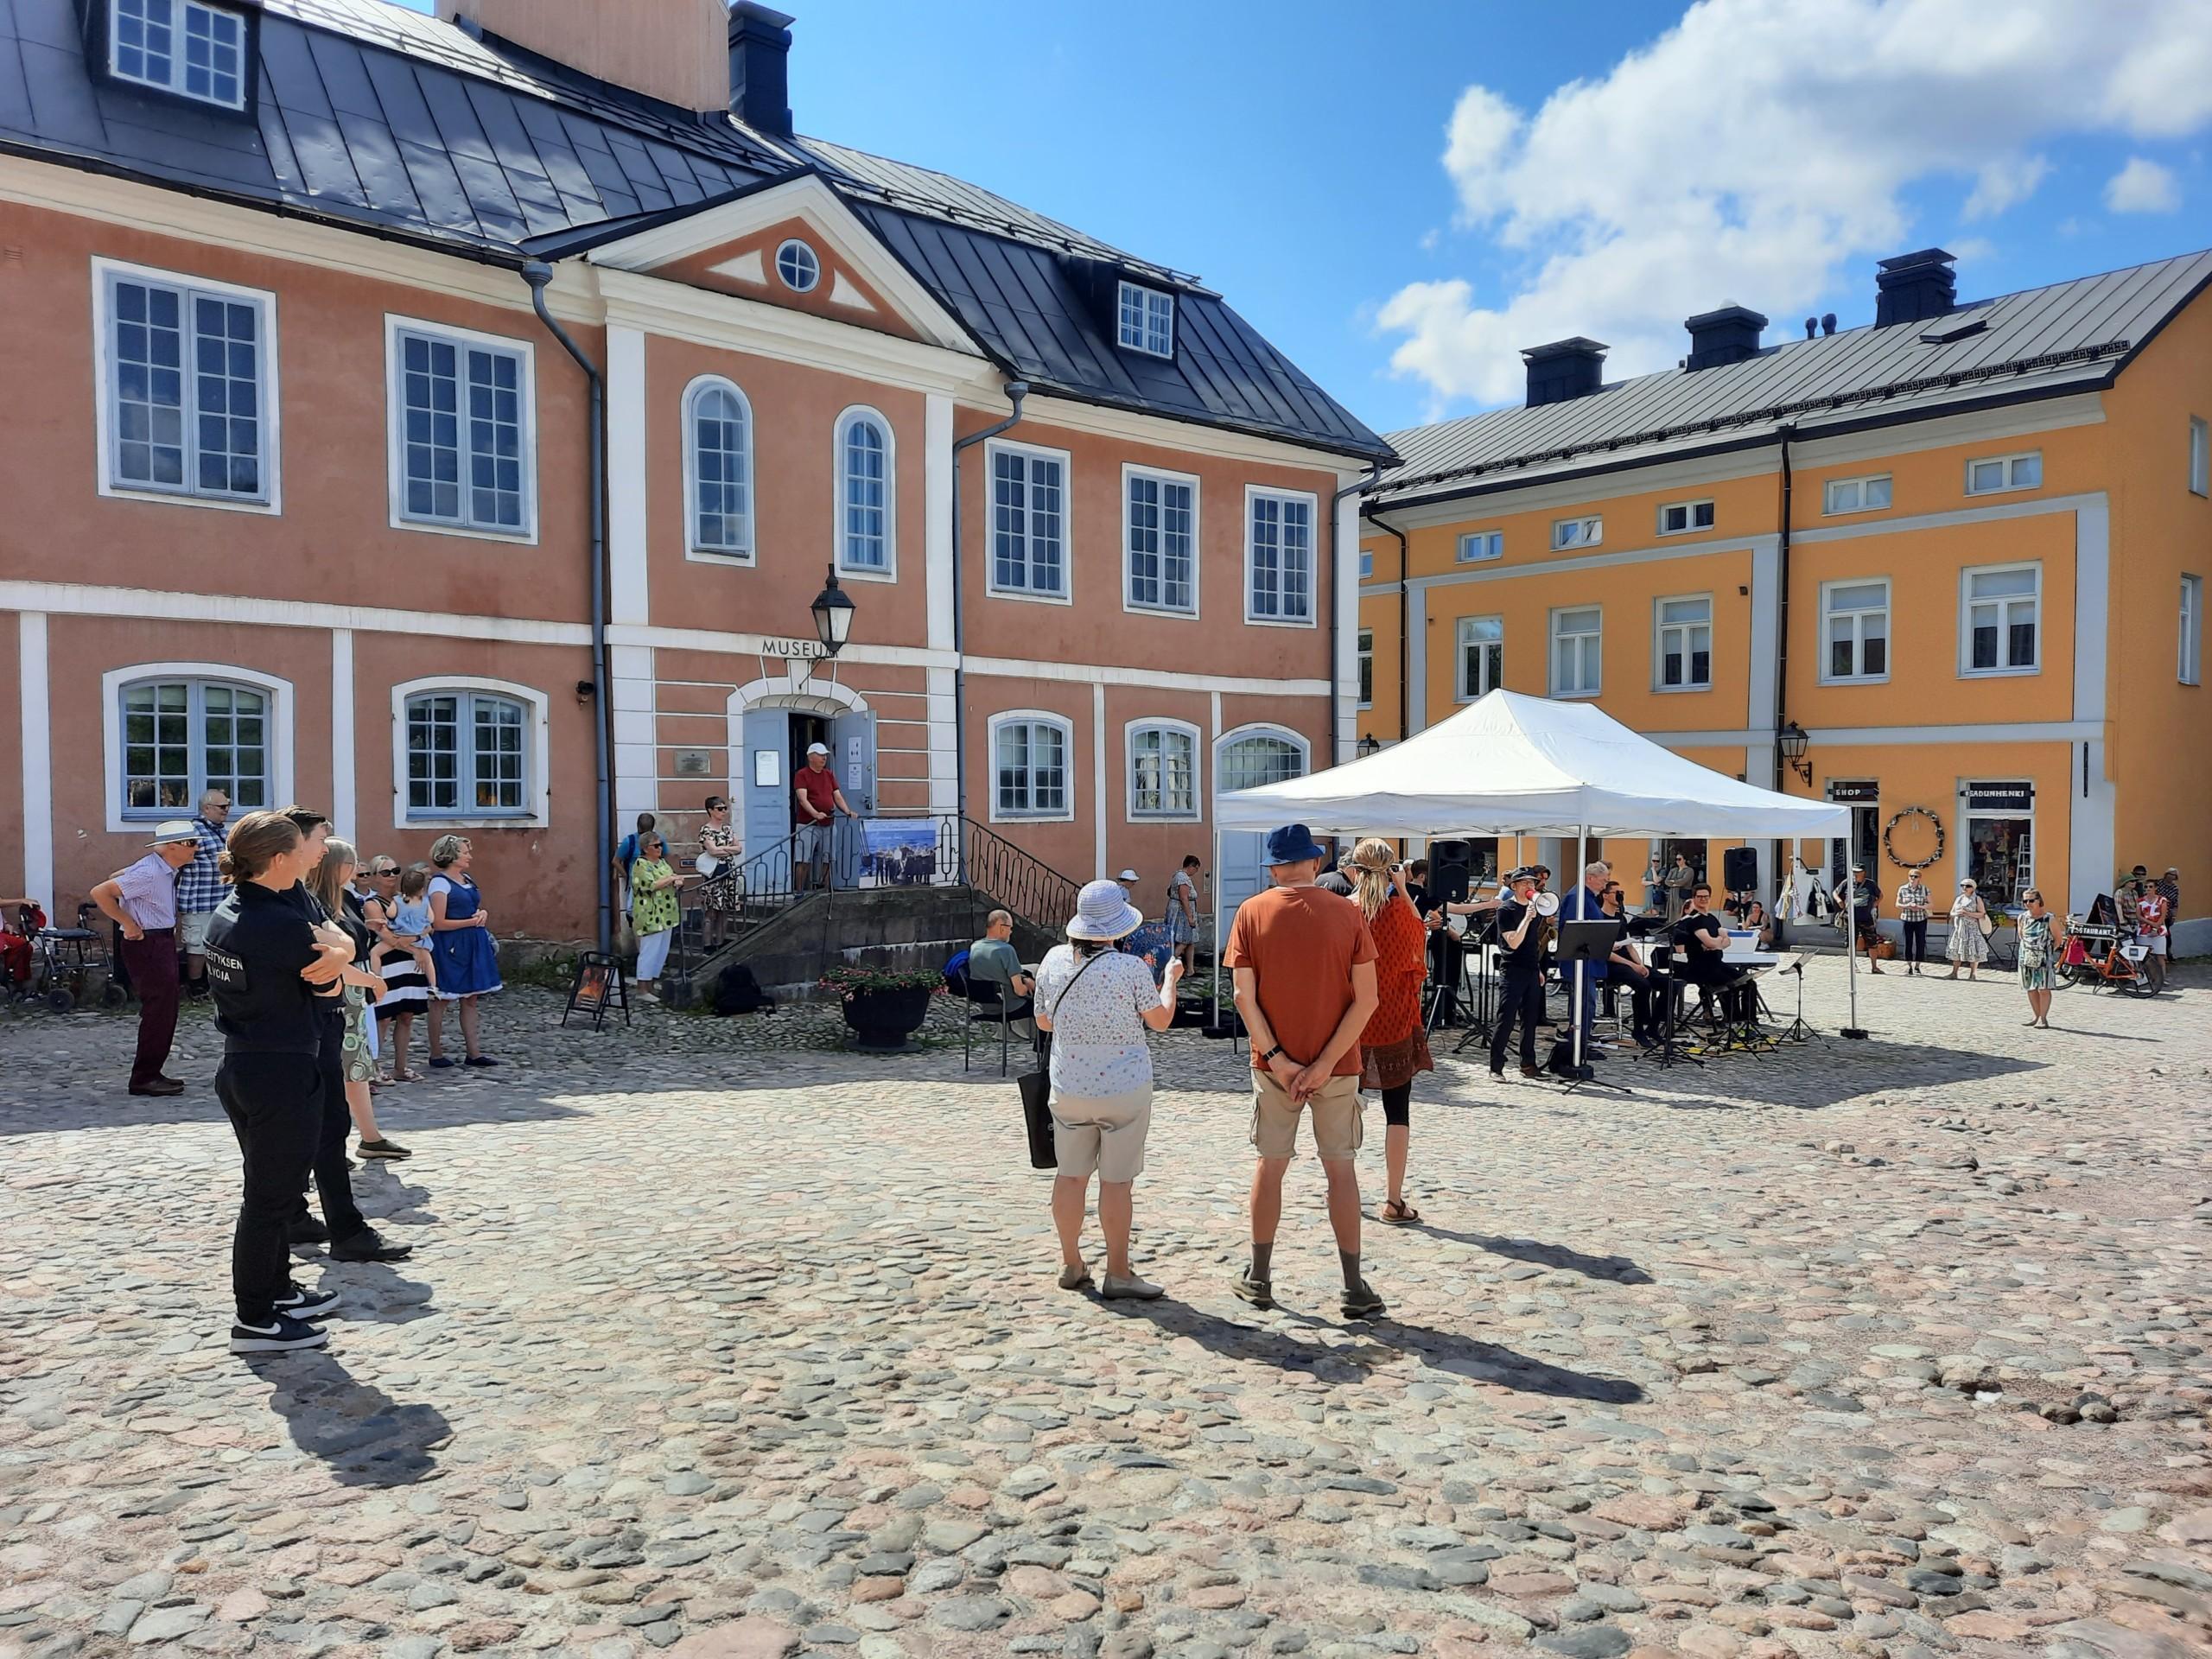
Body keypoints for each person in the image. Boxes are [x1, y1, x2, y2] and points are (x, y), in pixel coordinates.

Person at [203, 810, 353, 1351]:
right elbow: (330, 991)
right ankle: (256, 1317)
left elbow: (333, 955)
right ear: (280, 859)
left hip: (245, 1063)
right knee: (269, 1201)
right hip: (282, 1071)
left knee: (275, 1190)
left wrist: (337, 955)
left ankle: (278, 1288)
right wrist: (338, 959)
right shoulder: (279, 924)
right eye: (302, 849)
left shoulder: (232, 910)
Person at [1224, 824, 1383, 1319]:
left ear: (1274, 867)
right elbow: (1367, 1001)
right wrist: (1325, 1064)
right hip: (1337, 1066)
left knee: (1271, 1165)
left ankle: (1259, 1276)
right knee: (1341, 1169)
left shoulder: (1251, 913)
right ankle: (1353, 1286)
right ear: (1316, 863)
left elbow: (1242, 997)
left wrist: (1280, 1059)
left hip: (1275, 1067)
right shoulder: (1349, 914)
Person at [1033, 880, 1181, 1300]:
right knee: (1116, 1183)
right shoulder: (1132, 967)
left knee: (1070, 1175)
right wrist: (1170, 979)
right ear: (1118, 927)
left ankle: (1071, 1262)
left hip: (1070, 1086)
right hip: (1124, 1087)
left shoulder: (1053, 960)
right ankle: (1118, 1272)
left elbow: (1044, 1022)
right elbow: (1161, 1020)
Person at [277, 806, 413, 1263]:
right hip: (299, 1035)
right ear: (291, 848)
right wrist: (348, 961)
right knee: (317, 1130)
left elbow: (345, 943)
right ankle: (337, 1231)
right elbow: (327, 951)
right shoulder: (274, 905)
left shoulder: (300, 896)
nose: (324, 849)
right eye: (319, 840)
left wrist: (345, 954)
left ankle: (311, 1218)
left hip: (318, 1024)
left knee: (321, 1129)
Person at [309, 839, 410, 1161]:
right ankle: (322, 1148)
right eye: (351, 864)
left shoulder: (347, 899)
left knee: (357, 1068)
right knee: (336, 1069)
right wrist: (369, 981)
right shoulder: (316, 903)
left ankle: (370, 1137)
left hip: (357, 991)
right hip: (340, 993)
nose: (356, 871)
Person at [1346, 841, 1430, 1227]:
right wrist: (1405, 889)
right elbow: (1419, 943)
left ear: (1355, 869)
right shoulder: (1401, 912)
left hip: (1351, 1023)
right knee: (1398, 1113)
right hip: (1395, 1019)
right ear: (1391, 870)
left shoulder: (1346, 912)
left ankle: (1342, 1191)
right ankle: (1394, 1200)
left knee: (1343, 1108)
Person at [89, 820, 199, 1097]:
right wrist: (128, 923)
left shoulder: (157, 868)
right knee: (159, 1011)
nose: (195, 848)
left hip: (158, 940)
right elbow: (101, 892)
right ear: (172, 847)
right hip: (148, 942)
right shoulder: (151, 872)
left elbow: (116, 878)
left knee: (164, 1010)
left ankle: (151, 1073)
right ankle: (144, 1077)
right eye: (191, 843)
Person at [424, 835, 501, 1068]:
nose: (469, 856)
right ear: (452, 855)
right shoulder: (440, 884)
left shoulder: (466, 878)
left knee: (471, 998)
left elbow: (472, 907)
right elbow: (438, 923)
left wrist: (482, 914)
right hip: (451, 946)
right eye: (465, 852)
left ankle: (474, 1052)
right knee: (442, 1000)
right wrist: (470, 923)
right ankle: (436, 1053)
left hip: (473, 942)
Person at [363, 858, 431, 1081]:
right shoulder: (373, 903)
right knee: (383, 1017)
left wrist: (419, 941)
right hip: (390, 964)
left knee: (406, 1015)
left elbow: (429, 924)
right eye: (385, 872)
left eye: (395, 870)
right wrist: (417, 947)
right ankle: (374, 1067)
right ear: (374, 876)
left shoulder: (407, 900)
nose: (391, 875)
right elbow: (388, 937)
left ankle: (400, 1067)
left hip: (410, 964)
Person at [1487, 868, 1548, 1079]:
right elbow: (1513, 941)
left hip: (1531, 968)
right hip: (1512, 969)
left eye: (1532, 883)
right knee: (1506, 1018)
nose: (1530, 887)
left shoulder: (1535, 909)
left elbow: (1532, 943)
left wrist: (1538, 969)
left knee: (1530, 1019)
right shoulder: (1506, 909)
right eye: (1524, 883)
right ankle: (1496, 1066)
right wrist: (1527, 919)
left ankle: (1528, 1064)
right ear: (1514, 886)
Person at [177, 790, 231, 998]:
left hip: (221, 899)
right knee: (196, 944)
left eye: (228, 806)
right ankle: (195, 985)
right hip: (198, 899)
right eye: (222, 807)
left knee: (218, 943)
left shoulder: (224, 832)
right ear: (206, 808)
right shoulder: (193, 831)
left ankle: (212, 983)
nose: (226, 810)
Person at [1555, 859, 1611, 1056]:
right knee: (1584, 1002)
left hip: (1588, 959)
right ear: (1590, 878)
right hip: (1579, 960)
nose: (1605, 885)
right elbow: (1573, 930)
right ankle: (1578, 1044)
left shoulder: (1586, 896)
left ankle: (1581, 1041)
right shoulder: (1577, 897)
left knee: (1586, 1002)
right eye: (1603, 881)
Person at [1675, 883, 1753, 1023]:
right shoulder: (1695, 921)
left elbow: (1726, 941)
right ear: (1694, 898)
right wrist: (1718, 942)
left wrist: (1717, 943)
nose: (1703, 899)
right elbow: (1711, 942)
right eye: (1700, 897)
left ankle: (1748, 1021)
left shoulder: (1711, 918)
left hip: (1717, 963)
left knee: (1749, 982)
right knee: (1730, 985)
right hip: (1701, 967)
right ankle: (1731, 1022)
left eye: (1706, 896)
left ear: (1710, 898)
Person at [1602, 880, 1661, 1047]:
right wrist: (1633, 966)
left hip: (1629, 961)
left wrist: (1640, 964)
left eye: (1622, 893)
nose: (1620, 896)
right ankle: (1638, 1029)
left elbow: (1629, 944)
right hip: (1614, 964)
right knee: (1643, 985)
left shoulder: (1621, 917)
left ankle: (1653, 1027)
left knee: (1668, 984)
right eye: (1616, 893)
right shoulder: (1600, 917)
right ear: (1605, 896)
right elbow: (1606, 952)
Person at [793, 742, 857, 891]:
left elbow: (837, 796)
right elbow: (803, 799)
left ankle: (826, 889)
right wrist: (815, 814)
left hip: (828, 824)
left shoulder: (828, 774)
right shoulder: (802, 774)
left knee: (828, 858)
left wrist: (847, 811)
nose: (824, 758)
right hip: (808, 825)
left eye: (825, 756)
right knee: (803, 859)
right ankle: (799, 891)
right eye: (820, 755)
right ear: (811, 757)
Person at [628, 830, 683, 996]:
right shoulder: (641, 865)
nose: (660, 848)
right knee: (649, 950)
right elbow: (650, 885)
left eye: (661, 845)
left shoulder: (662, 863)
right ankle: (642, 987)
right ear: (646, 848)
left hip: (667, 913)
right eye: (656, 845)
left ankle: (652, 983)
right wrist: (671, 879)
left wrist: (677, 881)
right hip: (650, 914)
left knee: (661, 951)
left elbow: (672, 876)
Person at [696, 797, 740, 946]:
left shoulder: (728, 829)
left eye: (725, 808)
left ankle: (720, 942)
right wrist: (729, 850)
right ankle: (707, 944)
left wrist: (722, 849)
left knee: (725, 910)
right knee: (711, 911)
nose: (723, 811)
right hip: (713, 875)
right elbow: (712, 851)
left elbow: (738, 848)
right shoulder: (706, 830)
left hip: (728, 873)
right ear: (710, 811)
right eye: (720, 809)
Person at [969, 909, 1035, 1005]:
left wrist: (1023, 978)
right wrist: (1029, 986)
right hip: (1007, 1006)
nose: (1011, 932)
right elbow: (1020, 991)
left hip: (983, 1006)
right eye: (1010, 928)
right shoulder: (1006, 950)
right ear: (1002, 928)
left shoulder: (974, 947)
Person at [1833, 865, 1885, 972]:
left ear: (1863, 872)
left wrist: (1875, 904)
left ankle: (1874, 967)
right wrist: (1839, 900)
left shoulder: (1870, 884)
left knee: (1872, 943)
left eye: (1858, 872)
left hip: (1866, 917)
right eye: (1854, 872)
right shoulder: (1847, 882)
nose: (1855, 874)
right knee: (1851, 942)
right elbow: (1835, 892)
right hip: (1850, 918)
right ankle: (1854, 966)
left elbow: (1880, 895)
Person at [2018, 888, 2056, 1028]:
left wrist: (2047, 951)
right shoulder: (2022, 918)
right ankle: (2036, 1016)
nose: (2027, 903)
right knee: (2030, 988)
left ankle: (2044, 1018)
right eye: (2025, 901)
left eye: (2031, 900)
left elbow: (2058, 939)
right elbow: (2021, 936)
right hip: (2026, 957)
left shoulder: (2049, 918)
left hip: (2044, 958)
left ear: (2039, 901)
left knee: (2044, 988)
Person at [1944, 878, 1989, 980]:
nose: (1964, 888)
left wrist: (1968, 913)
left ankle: (1973, 974)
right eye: (1962, 885)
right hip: (1960, 928)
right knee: (1957, 950)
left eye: (1968, 886)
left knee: (1973, 950)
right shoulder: (1959, 899)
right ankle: (1954, 973)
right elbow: (1952, 913)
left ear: (1973, 888)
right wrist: (1957, 914)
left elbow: (1982, 914)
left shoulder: (1977, 899)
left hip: (1972, 928)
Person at [1165, 855, 1201, 974]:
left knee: (1190, 941)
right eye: (1196, 869)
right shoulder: (1182, 878)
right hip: (1182, 913)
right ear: (1191, 866)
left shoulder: (1178, 875)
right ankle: (1167, 965)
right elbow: (1184, 897)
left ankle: (1190, 969)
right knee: (1184, 940)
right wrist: (1190, 917)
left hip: (1182, 910)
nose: (1196, 872)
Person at [1895, 869, 1933, 976]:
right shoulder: (1903, 889)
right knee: (1908, 942)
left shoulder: (1924, 889)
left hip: (1920, 919)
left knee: (1920, 942)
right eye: (1911, 876)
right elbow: (1897, 904)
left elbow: (1931, 904)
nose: (1913, 878)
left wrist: (1919, 907)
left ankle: (1917, 966)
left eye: (1915, 876)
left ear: (1919, 878)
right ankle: (1909, 966)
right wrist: (1908, 906)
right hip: (1907, 919)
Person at [1662, 852, 1695, 922]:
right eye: (1676, 859)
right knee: (1672, 912)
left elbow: (1683, 881)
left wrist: (1673, 882)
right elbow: (1666, 881)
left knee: (1681, 911)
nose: (1677, 861)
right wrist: (1676, 883)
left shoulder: (1689, 870)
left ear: (1684, 860)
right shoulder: (1673, 870)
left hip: (1682, 894)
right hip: (1672, 894)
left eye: (1679, 859)